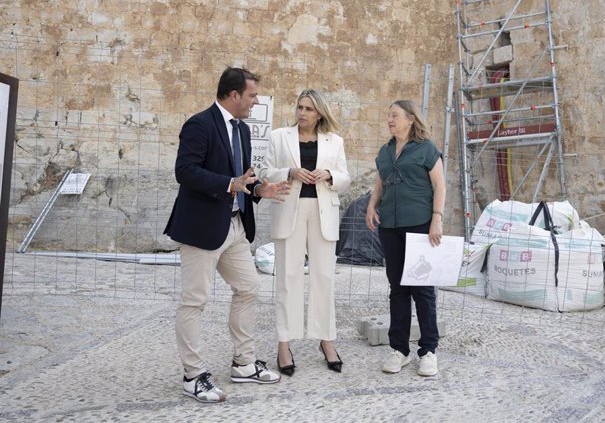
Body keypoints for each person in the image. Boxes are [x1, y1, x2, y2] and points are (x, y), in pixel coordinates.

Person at [164, 67, 291, 403]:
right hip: (202, 227)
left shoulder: (243, 130)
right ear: (234, 95)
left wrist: (261, 189)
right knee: (195, 300)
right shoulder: (199, 124)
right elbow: (185, 171)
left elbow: (242, 179)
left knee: (249, 287)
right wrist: (228, 184)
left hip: (234, 225)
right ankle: (193, 375)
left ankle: (243, 364)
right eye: (252, 95)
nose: (256, 101)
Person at [258, 89, 351, 376]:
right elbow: (265, 171)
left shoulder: (335, 142)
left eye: (309, 109)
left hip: (324, 213)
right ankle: (284, 344)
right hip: (291, 211)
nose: (302, 113)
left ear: (319, 113)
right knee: (288, 278)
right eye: (300, 107)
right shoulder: (278, 136)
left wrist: (330, 175)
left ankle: (326, 340)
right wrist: (289, 172)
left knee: (324, 278)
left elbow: (346, 178)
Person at [365, 100, 446, 377]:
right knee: (397, 288)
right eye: (388, 115)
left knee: (422, 289)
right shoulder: (385, 151)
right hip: (390, 226)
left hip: (421, 224)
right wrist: (371, 205)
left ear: (411, 119)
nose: (390, 119)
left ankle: (429, 351)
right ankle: (399, 350)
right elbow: (380, 181)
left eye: (395, 115)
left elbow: (440, 185)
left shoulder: (426, 149)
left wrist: (437, 218)